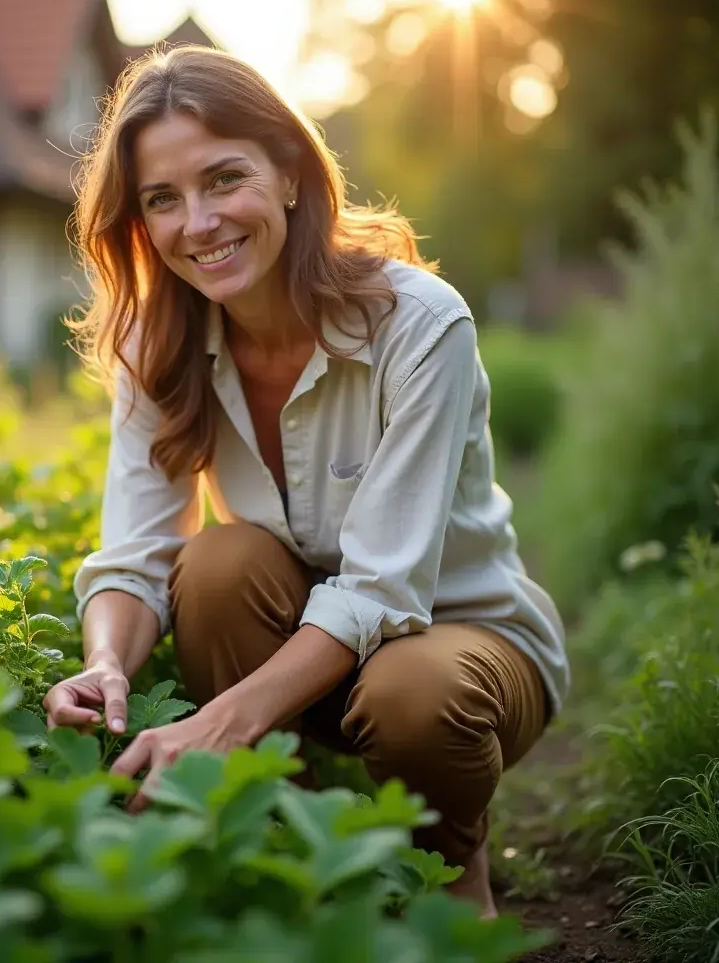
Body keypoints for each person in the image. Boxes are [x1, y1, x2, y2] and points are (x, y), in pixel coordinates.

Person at [42, 45, 569, 918]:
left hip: (463, 648)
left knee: (412, 689)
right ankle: (279, 834)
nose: (199, 222)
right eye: (162, 199)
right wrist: (104, 666)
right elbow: (134, 555)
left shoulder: (419, 325)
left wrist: (221, 721)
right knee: (217, 564)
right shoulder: (156, 347)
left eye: (223, 178)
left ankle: (449, 870)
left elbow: (384, 587)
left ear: (289, 171)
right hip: (308, 667)